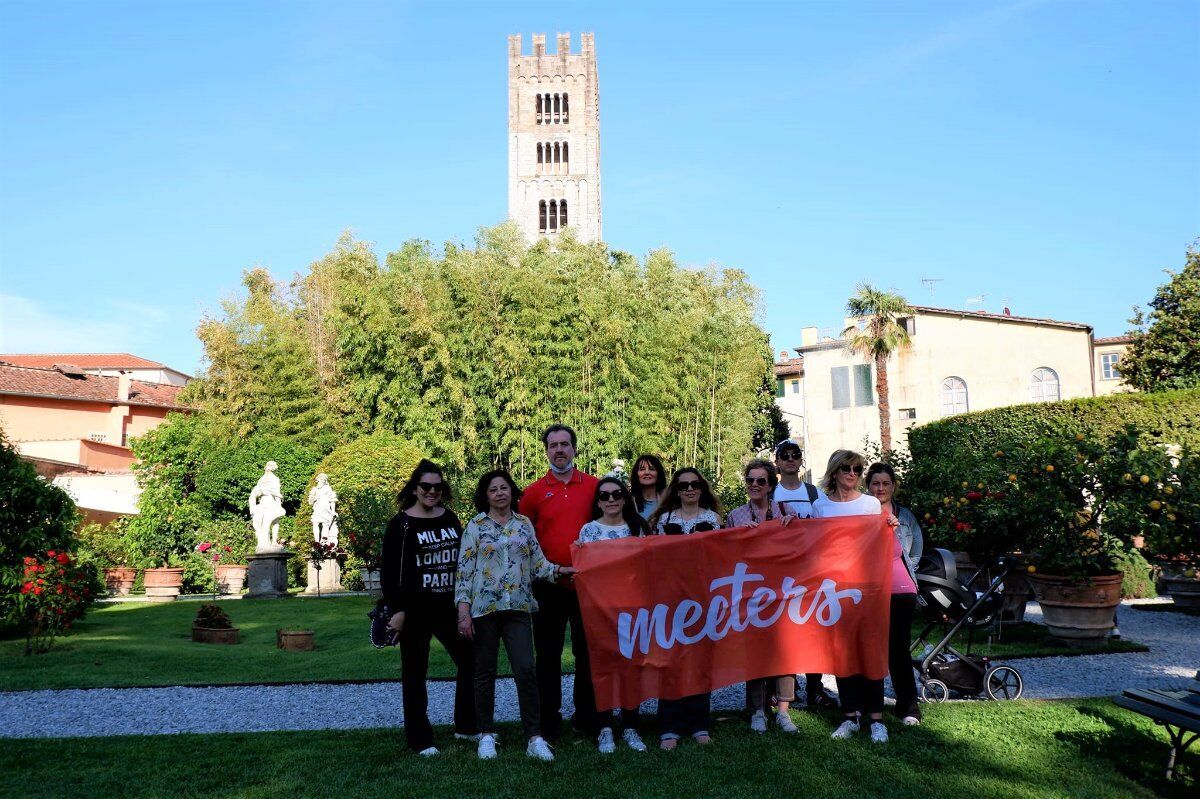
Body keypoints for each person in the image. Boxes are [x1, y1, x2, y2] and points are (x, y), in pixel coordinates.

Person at [456, 469, 577, 761]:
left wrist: (560, 571)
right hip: (485, 609)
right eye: (493, 489)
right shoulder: (475, 526)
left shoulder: (524, 524)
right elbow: (464, 571)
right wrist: (464, 611)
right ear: (485, 495)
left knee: (525, 670)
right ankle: (486, 735)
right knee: (484, 673)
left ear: (512, 492)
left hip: (519, 609)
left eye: (504, 488)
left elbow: (538, 564)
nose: (500, 493)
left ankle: (534, 738)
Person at [380, 459, 476, 756]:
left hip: (448, 607)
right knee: (414, 673)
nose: (432, 491)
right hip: (415, 610)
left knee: (470, 661)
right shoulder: (401, 524)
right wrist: (397, 610)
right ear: (415, 488)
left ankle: (466, 726)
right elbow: (389, 572)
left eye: (437, 487)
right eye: (426, 486)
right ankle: (420, 739)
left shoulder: (450, 518)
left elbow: (462, 561)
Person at [518, 424, 600, 743]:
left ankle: (586, 719)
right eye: (554, 445)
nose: (560, 450)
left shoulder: (594, 486)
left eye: (565, 444)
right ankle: (548, 722)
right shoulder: (534, 492)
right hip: (548, 585)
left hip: (587, 584)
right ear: (547, 451)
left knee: (587, 654)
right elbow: (524, 537)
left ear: (575, 449)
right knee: (548, 657)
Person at [813, 449, 889, 744]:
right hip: (834, 590)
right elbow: (812, 545)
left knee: (870, 650)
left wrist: (888, 528)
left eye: (858, 469)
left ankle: (877, 719)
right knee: (842, 652)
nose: (852, 474)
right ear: (834, 471)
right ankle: (849, 717)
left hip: (867, 586)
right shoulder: (821, 507)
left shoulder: (871, 504)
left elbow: (877, 542)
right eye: (846, 468)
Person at [648, 468, 724, 749]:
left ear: (702, 488)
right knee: (670, 660)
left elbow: (722, 557)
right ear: (675, 491)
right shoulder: (663, 520)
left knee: (700, 661)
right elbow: (653, 558)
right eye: (683, 486)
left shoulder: (713, 520)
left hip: (702, 598)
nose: (689, 489)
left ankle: (699, 723)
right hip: (670, 598)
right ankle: (669, 725)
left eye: (694, 485)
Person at [575, 476, 651, 753]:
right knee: (604, 669)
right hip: (600, 611)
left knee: (632, 668)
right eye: (604, 495)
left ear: (625, 497)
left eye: (616, 494)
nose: (611, 499)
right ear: (598, 501)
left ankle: (631, 726)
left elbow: (649, 566)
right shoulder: (588, 532)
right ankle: (605, 728)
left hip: (633, 609)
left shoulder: (638, 528)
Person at [725, 459, 799, 734]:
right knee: (754, 650)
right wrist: (740, 539)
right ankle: (757, 710)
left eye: (760, 481)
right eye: (750, 480)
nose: (754, 485)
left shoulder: (786, 511)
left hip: (782, 591)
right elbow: (725, 553)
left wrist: (792, 528)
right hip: (751, 593)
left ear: (770, 485)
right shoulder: (736, 516)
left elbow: (802, 546)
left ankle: (783, 711)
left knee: (786, 650)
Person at [772, 439, 837, 710]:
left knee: (814, 632)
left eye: (794, 455)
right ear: (777, 462)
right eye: (784, 455)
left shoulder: (815, 493)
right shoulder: (770, 493)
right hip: (781, 574)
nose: (789, 459)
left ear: (800, 460)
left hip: (812, 573)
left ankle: (814, 687)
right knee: (783, 632)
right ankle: (787, 689)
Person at [866, 462, 924, 726]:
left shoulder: (905, 515)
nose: (880, 488)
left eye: (885, 483)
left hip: (901, 590)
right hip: (870, 591)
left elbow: (915, 554)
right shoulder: (860, 513)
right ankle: (870, 706)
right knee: (872, 649)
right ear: (868, 486)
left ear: (893, 486)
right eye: (876, 483)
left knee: (899, 650)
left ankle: (909, 707)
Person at [631, 454, 667, 521]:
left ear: (658, 473)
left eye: (651, 469)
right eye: (642, 469)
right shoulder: (629, 502)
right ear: (636, 474)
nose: (647, 472)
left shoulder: (668, 502)